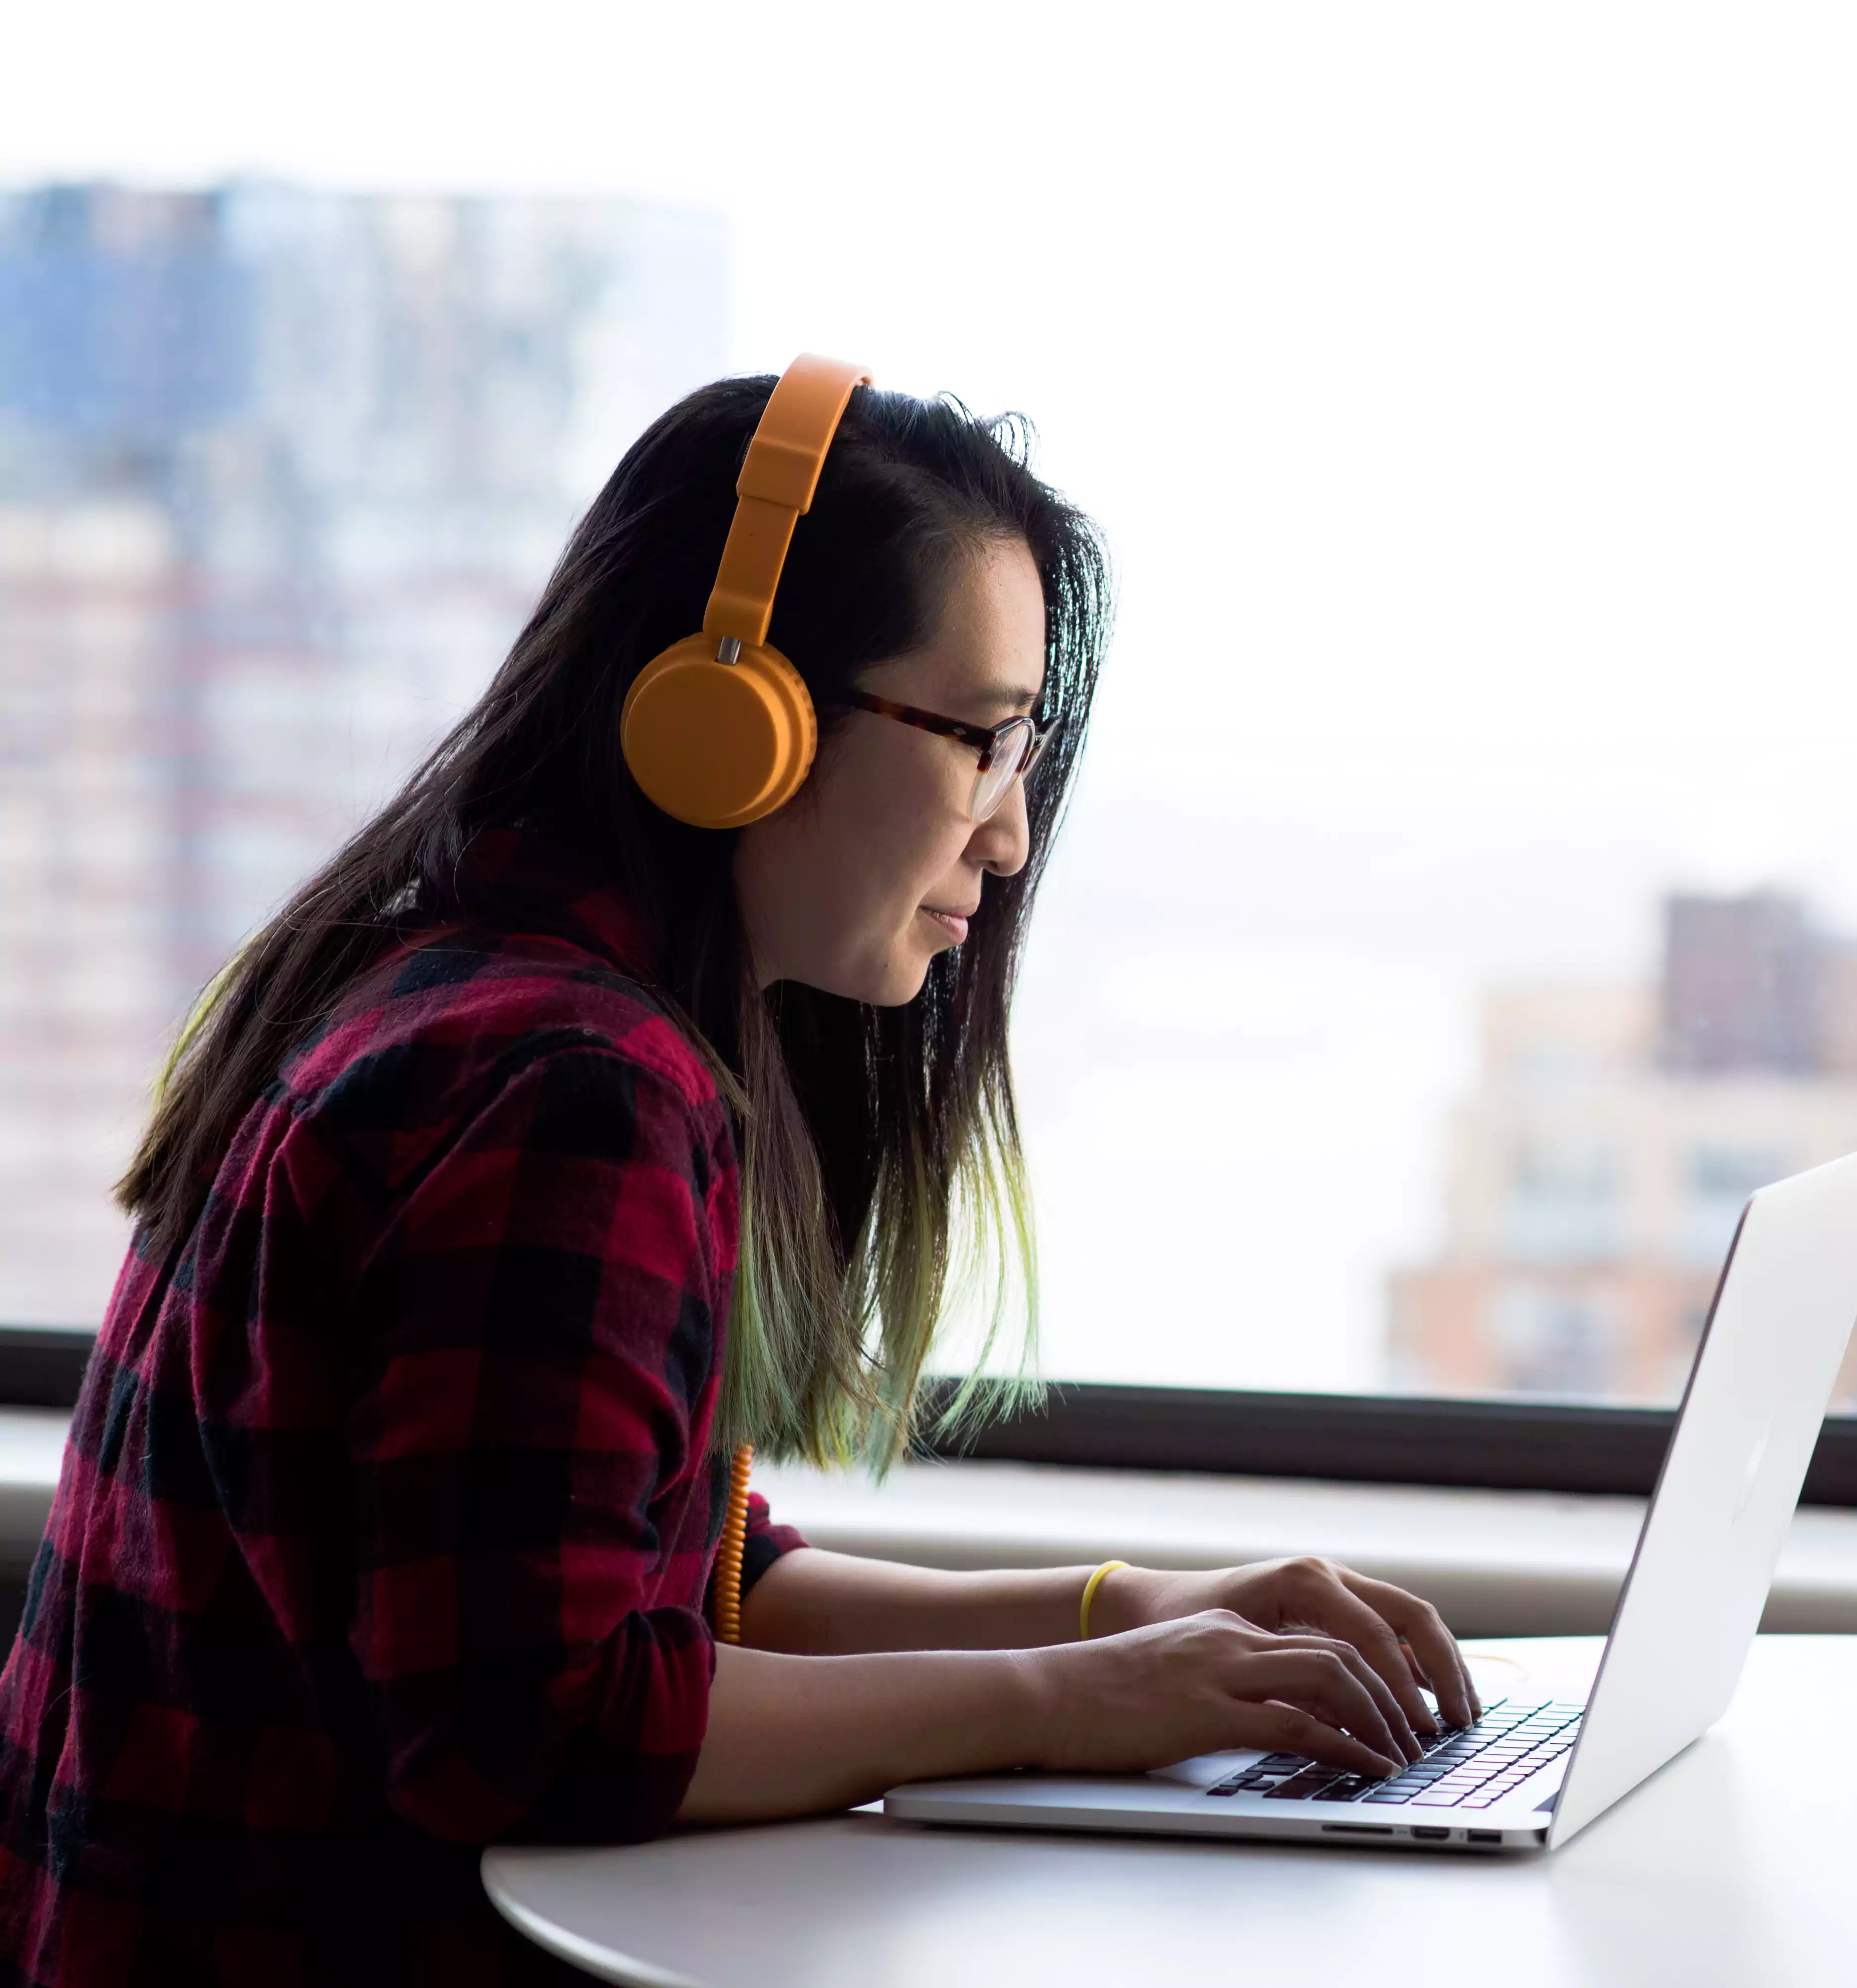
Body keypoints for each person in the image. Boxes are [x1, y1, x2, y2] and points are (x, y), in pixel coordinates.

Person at [0, 370, 1478, 1984]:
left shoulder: (470, 987)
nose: (1009, 835)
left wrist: (1121, 1611)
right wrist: (1074, 1707)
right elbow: (532, 1724)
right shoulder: (567, 1089)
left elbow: (691, 1573)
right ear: (736, 718)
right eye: (982, 740)